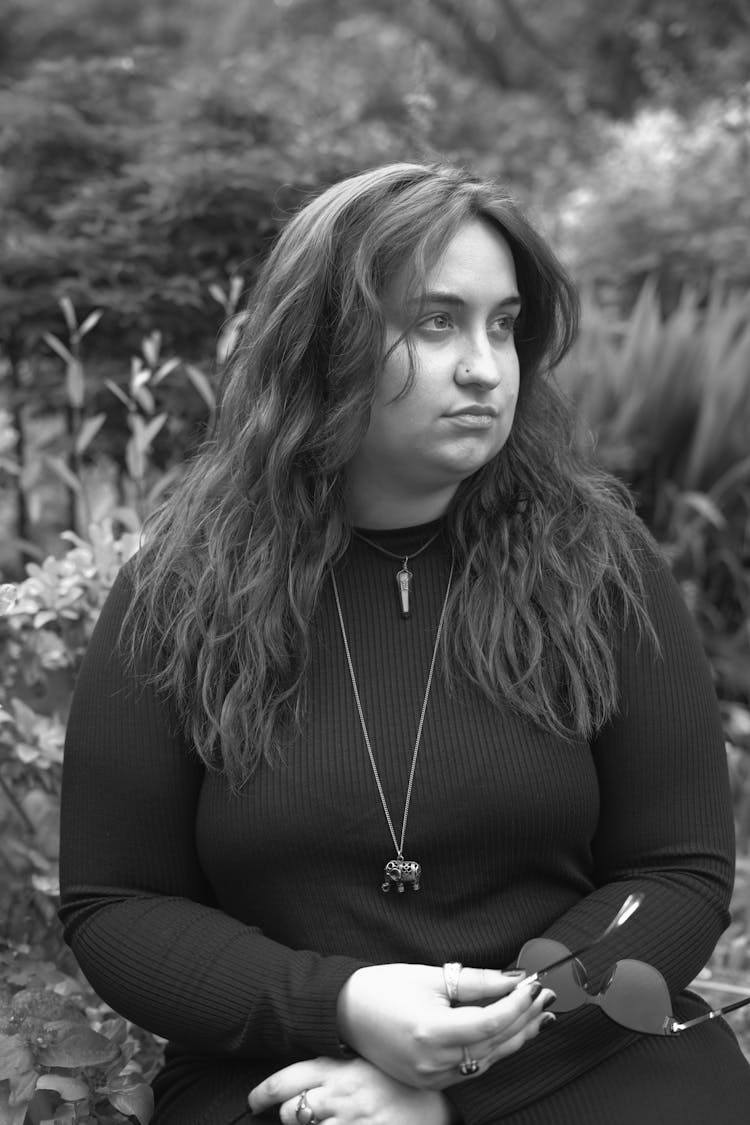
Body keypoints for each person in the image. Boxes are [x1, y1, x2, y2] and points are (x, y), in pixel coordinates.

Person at [59, 161, 750, 1125]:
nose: (485, 366)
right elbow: (117, 904)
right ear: (324, 342)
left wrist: (468, 1067)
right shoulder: (182, 586)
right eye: (436, 321)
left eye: (503, 324)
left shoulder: (600, 562)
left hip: (585, 1053)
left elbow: (677, 870)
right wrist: (336, 1004)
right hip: (291, 1073)